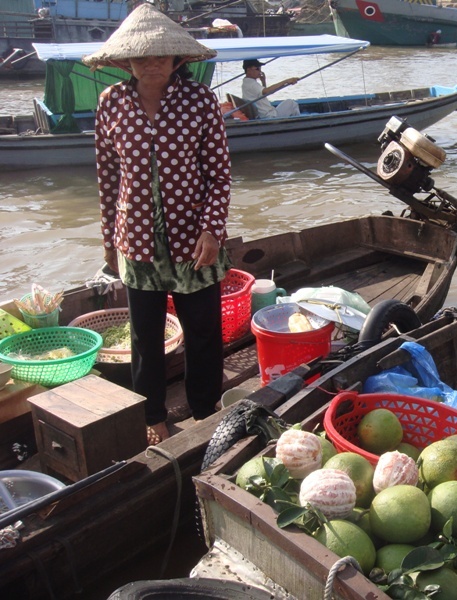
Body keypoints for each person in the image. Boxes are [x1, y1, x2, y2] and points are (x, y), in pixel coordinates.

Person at [83, 3, 233, 445]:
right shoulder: (111, 104)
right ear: (126, 62)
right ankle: (153, 413)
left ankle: (205, 409)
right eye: (141, 57)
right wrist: (109, 240)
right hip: (137, 242)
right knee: (145, 336)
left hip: (196, 241)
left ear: (176, 60)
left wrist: (212, 230)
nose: (152, 64)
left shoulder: (199, 101)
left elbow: (219, 174)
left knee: (204, 332)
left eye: (161, 56)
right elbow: (108, 177)